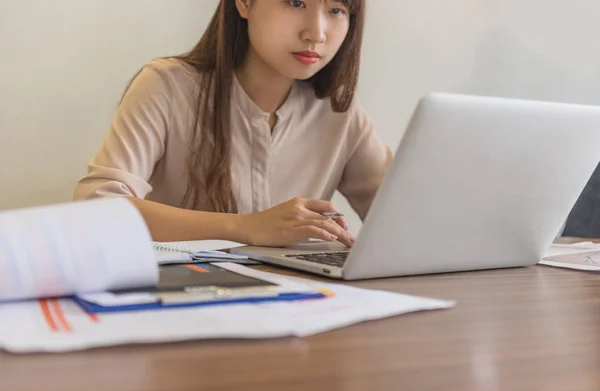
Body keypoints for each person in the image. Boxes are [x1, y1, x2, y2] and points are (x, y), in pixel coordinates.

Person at [74, 0, 391, 247]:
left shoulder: (338, 110)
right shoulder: (166, 86)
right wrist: (247, 227)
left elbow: (404, 215)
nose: (317, 33)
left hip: (297, 304)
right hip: (184, 301)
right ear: (244, 3)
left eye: (336, 9)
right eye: (296, 3)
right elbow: (97, 208)